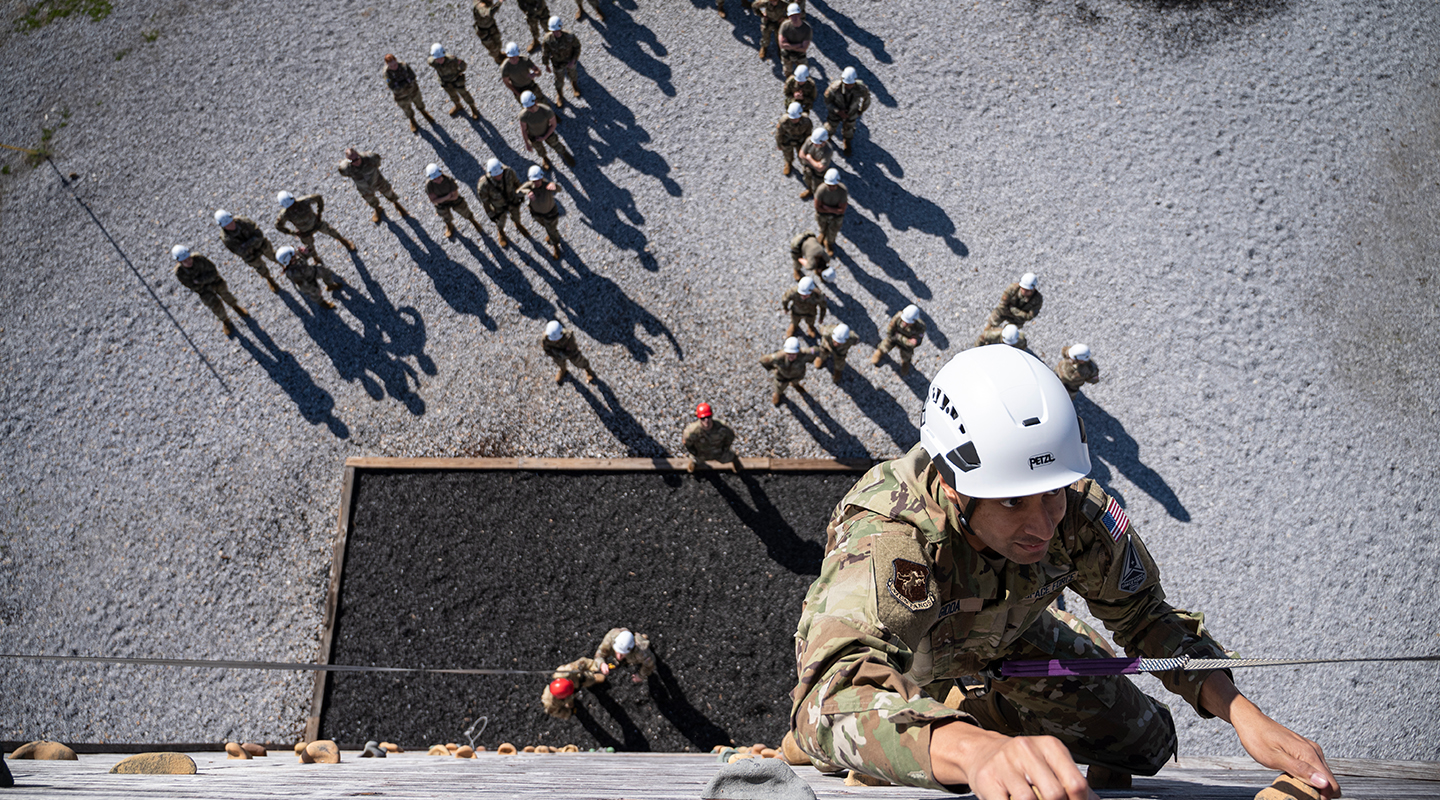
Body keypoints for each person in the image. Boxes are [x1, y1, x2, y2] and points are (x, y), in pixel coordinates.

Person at [790, 344, 1339, 799]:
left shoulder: (1076, 509)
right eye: (1012, 504)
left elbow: (1146, 619)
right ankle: (956, 715)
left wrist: (1244, 714)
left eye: (1051, 495)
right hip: (908, 667)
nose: (1043, 524)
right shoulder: (890, 535)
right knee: (875, 740)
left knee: (1146, 745)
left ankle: (976, 703)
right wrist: (977, 751)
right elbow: (826, 700)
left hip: (1008, 644)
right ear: (955, 483)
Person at [172, 245, 247, 336]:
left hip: (215, 282)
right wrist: (204, 283)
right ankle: (225, 320)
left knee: (226, 295)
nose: (188, 262)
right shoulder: (180, 272)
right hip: (204, 290)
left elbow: (213, 272)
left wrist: (200, 281)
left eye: (189, 259)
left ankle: (235, 307)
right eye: (185, 261)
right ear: (179, 262)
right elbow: (191, 286)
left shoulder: (199, 259)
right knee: (215, 306)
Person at [275, 190, 354, 262]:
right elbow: (278, 226)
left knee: (331, 231)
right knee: (309, 247)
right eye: (290, 207)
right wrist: (294, 233)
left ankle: (344, 241)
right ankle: (315, 258)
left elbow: (318, 198)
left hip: (316, 223)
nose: (293, 208)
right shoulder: (285, 214)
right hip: (304, 232)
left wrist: (319, 213)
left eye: (294, 204)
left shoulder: (305, 201)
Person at [215, 209, 282, 293]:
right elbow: (239, 251)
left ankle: (285, 265)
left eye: (231, 222)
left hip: (261, 245)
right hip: (250, 255)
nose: (231, 225)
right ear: (223, 227)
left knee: (274, 256)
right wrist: (252, 241)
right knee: (261, 268)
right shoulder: (226, 238)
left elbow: (259, 234)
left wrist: (246, 244)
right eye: (228, 225)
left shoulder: (243, 221)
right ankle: (269, 279)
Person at [338, 148, 408, 224]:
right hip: (364, 188)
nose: (356, 162)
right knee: (370, 200)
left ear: (358, 154)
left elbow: (378, 162)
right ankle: (377, 209)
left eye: (357, 158)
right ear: (348, 160)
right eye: (352, 161)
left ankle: (396, 204)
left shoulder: (371, 157)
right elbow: (344, 173)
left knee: (388, 192)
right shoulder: (345, 168)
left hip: (378, 181)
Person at [478, 158, 532, 247]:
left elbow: (516, 182)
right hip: (498, 207)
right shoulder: (484, 184)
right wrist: (490, 213)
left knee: (516, 215)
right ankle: (501, 232)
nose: (499, 177)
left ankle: (518, 224)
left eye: (500, 174)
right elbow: (485, 201)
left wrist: (521, 194)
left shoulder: (509, 172)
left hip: (512, 201)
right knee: (500, 222)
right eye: (496, 176)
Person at [518, 91, 576, 171]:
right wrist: (527, 143)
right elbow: (523, 130)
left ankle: (564, 153)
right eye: (528, 108)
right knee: (539, 150)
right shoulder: (523, 115)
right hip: (533, 136)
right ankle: (545, 158)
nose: (530, 109)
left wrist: (545, 136)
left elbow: (553, 125)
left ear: (535, 101)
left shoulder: (546, 111)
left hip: (547, 132)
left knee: (556, 144)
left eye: (531, 106)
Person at [424, 163, 484, 239]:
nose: (437, 180)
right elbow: (433, 200)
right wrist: (447, 196)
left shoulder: (449, 180)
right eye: (434, 179)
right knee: (444, 215)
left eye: (438, 177)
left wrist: (440, 199)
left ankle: (473, 221)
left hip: (454, 201)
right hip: (442, 204)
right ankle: (449, 225)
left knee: (464, 210)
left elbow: (455, 197)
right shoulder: (429, 185)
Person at [824, 66, 871, 156]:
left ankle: (847, 141)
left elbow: (867, 99)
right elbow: (827, 102)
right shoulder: (834, 88)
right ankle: (826, 139)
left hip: (851, 112)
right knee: (830, 127)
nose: (848, 86)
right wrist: (838, 111)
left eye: (851, 84)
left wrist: (861, 110)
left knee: (849, 128)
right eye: (846, 84)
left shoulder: (861, 88)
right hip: (836, 112)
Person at [520, 165, 565, 258]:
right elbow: (518, 192)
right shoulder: (529, 186)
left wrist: (555, 185)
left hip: (550, 214)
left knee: (551, 230)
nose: (536, 183)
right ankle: (551, 234)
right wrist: (527, 192)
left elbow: (559, 189)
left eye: (538, 180)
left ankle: (556, 245)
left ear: (542, 177)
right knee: (546, 227)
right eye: (534, 181)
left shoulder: (547, 185)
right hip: (537, 215)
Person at [760, 336, 820, 406]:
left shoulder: (804, 353)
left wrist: (814, 359)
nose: (791, 356)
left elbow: (816, 350)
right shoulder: (778, 356)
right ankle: (778, 393)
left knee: (796, 381)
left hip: (797, 375)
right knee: (780, 387)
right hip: (782, 377)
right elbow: (763, 360)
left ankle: (795, 385)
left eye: (794, 354)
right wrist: (771, 368)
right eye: (789, 354)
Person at [427, 43, 482, 119]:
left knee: (464, 94)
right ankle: (458, 106)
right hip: (446, 82)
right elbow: (430, 62)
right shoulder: (432, 62)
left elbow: (463, 66)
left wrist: (459, 72)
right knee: (452, 95)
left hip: (456, 80)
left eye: (441, 58)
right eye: (437, 59)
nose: (439, 60)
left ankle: (473, 108)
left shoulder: (452, 60)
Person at [383, 53, 436, 132]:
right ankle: (412, 120)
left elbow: (412, 76)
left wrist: (401, 83)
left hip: (413, 90)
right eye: (391, 66)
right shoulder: (387, 73)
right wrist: (405, 82)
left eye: (394, 64)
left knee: (419, 102)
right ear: (387, 65)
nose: (394, 67)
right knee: (406, 109)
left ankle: (424, 113)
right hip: (401, 95)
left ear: (396, 60)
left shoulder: (403, 66)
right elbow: (392, 86)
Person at [682, 402, 740, 473]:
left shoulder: (722, 427)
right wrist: (694, 452)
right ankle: (693, 465)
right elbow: (686, 442)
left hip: (719, 452)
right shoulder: (692, 431)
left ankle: (737, 466)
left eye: (708, 417)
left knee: (732, 457)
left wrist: (725, 448)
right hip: (701, 453)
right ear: (699, 418)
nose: (706, 421)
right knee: (695, 459)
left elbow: (730, 436)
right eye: (703, 418)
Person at [277, 245, 340, 309]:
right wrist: (314, 289)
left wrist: (306, 252)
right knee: (316, 294)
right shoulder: (292, 273)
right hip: (308, 283)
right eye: (294, 253)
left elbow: (305, 256)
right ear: (290, 259)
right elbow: (304, 286)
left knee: (326, 271)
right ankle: (321, 302)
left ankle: (330, 285)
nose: (296, 252)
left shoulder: (296, 257)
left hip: (311, 271)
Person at [540, 658, 606, 719]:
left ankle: (593, 678)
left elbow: (583, 662)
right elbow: (558, 713)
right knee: (571, 705)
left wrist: (596, 666)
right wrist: (568, 713)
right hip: (567, 699)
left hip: (578, 680)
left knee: (589, 680)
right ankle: (570, 704)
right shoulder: (550, 703)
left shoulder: (566, 671)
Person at [870, 303, 925, 375]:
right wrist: (906, 340)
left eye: (908, 323)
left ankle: (905, 363)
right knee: (885, 344)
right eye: (904, 321)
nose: (905, 324)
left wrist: (898, 336)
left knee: (907, 355)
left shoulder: (920, 327)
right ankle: (880, 352)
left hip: (905, 345)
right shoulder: (898, 316)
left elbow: (916, 342)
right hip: (894, 339)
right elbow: (890, 332)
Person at [542, 16, 582, 106]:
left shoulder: (570, 36)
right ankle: (560, 95)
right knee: (558, 81)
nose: (555, 33)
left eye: (557, 30)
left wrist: (574, 60)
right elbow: (545, 52)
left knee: (573, 74)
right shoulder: (548, 39)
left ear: (561, 27)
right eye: (553, 31)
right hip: (557, 63)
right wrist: (546, 64)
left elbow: (577, 47)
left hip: (569, 61)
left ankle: (575, 86)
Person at [542, 320, 596, 384]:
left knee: (579, 361)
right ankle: (563, 370)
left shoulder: (568, 336)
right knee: (560, 363)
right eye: (554, 339)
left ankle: (588, 369)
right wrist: (555, 354)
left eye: (557, 338)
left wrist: (565, 354)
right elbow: (546, 349)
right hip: (557, 355)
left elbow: (573, 349)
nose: (556, 340)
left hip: (570, 354)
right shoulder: (546, 338)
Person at [501, 41, 548, 107]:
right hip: (519, 89)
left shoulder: (524, 60)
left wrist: (534, 74)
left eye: (516, 56)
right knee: (529, 108)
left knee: (543, 102)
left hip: (531, 85)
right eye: (512, 58)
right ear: (507, 56)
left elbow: (538, 71)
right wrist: (518, 94)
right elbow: (507, 83)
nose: (515, 59)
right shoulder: (505, 68)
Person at [814, 168, 848, 255]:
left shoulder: (842, 191)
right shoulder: (821, 189)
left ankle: (828, 243)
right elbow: (818, 207)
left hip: (836, 216)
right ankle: (822, 234)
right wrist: (834, 210)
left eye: (833, 185)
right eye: (829, 185)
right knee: (822, 226)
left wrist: (827, 208)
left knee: (833, 232)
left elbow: (842, 210)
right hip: (823, 214)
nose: (831, 187)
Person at [775, 102, 814, 177]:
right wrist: (779, 144)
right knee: (787, 154)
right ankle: (788, 163)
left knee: (802, 156)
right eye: (792, 118)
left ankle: (806, 166)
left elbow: (808, 134)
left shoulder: (806, 121)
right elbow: (779, 134)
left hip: (800, 141)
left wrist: (809, 146)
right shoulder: (784, 121)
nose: (794, 120)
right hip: (787, 141)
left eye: (796, 118)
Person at [777, 4, 812, 78]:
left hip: (800, 55)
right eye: (792, 16)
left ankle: (803, 81)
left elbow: (804, 48)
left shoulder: (806, 28)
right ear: (789, 17)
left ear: (800, 15)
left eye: (796, 15)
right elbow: (782, 45)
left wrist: (789, 46)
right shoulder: (785, 26)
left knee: (804, 70)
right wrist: (797, 45)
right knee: (787, 70)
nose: (794, 18)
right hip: (787, 54)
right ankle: (789, 81)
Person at [797, 127, 832, 200]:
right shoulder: (810, 140)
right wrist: (816, 164)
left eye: (817, 144)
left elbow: (820, 168)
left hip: (818, 174)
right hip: (808, 169)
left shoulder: (828, 150)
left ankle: (818, 197)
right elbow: (801, 154)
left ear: (824, 142)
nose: (814, 145)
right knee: (807, 180)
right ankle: (810, 190)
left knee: (818, 186)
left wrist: (809, 158)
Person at [472, 0, 507, 64]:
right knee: (493, 47)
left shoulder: (480, 3)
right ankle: (498, 59)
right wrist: (499, 2)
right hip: (485, 31)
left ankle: (499, 54)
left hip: (489, 26)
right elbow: (490, 12)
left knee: (497, 41)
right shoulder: (481, 7)